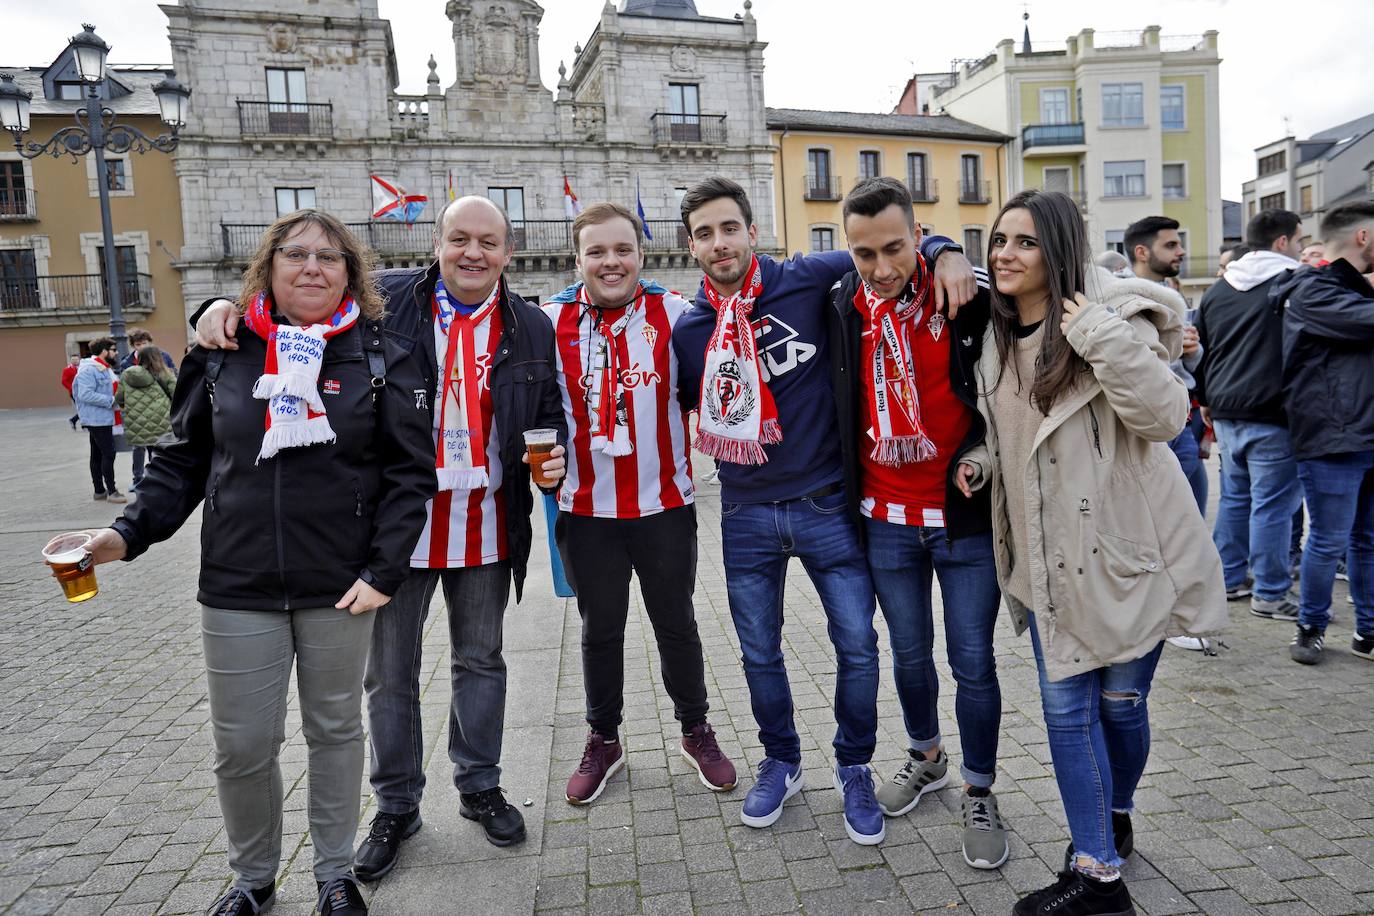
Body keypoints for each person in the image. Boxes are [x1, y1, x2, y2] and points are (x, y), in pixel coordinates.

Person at [195, 195, 568, 871]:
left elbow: (547, 412)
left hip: (486, 521)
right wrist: (216, 308)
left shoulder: (532, 325)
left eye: (488, 241)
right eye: (460, 239)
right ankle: (396, 805)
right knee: (388, 675)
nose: (473, 253)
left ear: (508, 253)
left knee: (481, 660)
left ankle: (480, 786)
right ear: (436, 245)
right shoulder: (387, 302)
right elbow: (297, 307)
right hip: (399, 529)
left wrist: (555, 452)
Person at [81, 210, 437, 916]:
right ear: (267, 268)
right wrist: (126, 534)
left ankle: (336, 874)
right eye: (296, 254)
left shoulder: (380, 353)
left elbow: (409, 475)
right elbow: (181, 462)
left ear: (351, 274)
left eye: (329, 257)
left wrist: (383, 572)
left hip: (341, 585)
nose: (312, 267)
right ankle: (253, 878)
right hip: (238, 583)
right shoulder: (222, 352)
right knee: (242, 745)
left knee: (335, 733)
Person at [672, 176, 975, 846]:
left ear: (753, 230)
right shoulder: (689, 330)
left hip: (826, 504)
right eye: (704, 233)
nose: (719, 243)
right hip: (745, 512)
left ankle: (854, 765)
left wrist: (951, 249)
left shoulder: (810, 278)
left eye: (729, 228)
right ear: (690, 246)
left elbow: (895, 254)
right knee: (758, 652)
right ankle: (781, 761)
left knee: (859, 648)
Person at [957, 189, 1226, 915]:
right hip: (1051, 560)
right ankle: (1099, 873)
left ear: (1060, 252)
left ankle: (1111, 817)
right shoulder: (995, 335)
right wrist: (981, 463)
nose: (1004, 254)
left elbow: (1167, 416)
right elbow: (1007, 432)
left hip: (1128, 554)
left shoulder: (1107, 323)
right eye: (998, 241)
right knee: (1068, 715)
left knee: (1121, 707)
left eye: (1024, 243)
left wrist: (1102, 336)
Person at [828, 177, 1007, 868]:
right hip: (886, 519)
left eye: (896, 248)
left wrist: (949, 253)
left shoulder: (967, 295)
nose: (880, 268)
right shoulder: (844, 302)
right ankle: (926, 755)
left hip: (961, 517)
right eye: (863, 253)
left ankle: (981, 787)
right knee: (907, 656)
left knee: (973, 663)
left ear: (918, 233)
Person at [542, 203, 736, 804]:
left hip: (665, 507)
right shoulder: (547, 321)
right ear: (578, 260)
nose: (610, 262)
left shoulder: (677, 315)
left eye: (622, 249)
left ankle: (695, 729)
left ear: (642, 254)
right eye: (596, 251)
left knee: (676, 623)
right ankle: (604, 739)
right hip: (587, 512)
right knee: (600, 630)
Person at [1195, 209, 1306, 619]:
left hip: (1224, 410)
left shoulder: (1217, 290)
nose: (1299, 249)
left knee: (1236, 501)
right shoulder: (1294, 283)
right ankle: (1272, 592)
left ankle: (1228, 579)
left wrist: (1207, 399)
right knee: (1273, 506)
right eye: (1298, 241)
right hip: (1273, 411)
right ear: (1281, 242)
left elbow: (1202, 351)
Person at [1276, 201, 1374, 664]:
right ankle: (1311, 627)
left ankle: (1367, 634)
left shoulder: (1350, 290)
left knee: (1367, 540)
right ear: (1363, 237)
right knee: (1329, 539)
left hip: (1366, 435)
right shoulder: (1312, 289)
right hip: (1334, 438)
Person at [1125, 216, 1208, 516]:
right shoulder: (1121, 296)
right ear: (1142, 252)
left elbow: (1189, 366)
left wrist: (1193, 349)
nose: (1181, 251)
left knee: (1193, 520)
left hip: (1181, 424)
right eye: (1171, 245)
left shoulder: (1172, 298)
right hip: (1146, 428)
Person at [72, 337, 126, 504]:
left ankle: (99, 491)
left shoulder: (103, 368)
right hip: (97, 418)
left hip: (101, 417)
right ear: (104, 351)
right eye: (113, 349)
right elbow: (85, 394)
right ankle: (111, 491)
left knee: (97, 454)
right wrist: (111, 400)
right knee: (108, 454)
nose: (116, 353)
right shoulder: (90, 370)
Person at [116, 344, 176, 489]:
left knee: (138, 449)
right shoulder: (165, 373)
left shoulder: (127, 373)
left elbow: (119, 398)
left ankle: (137, 479)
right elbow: (176, 395)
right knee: (157, 450)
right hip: (161, 420)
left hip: (135, 421)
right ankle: (155, 479)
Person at [60, 354, 80, 429]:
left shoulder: (82, 368)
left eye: (76, 359)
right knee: (82, 408)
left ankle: (74, 420)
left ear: (79, 360)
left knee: (83, 408)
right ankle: (77, 421)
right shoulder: (67, 369)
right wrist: (72, 388)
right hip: (74, 393)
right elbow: (64, 381)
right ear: (70, 360)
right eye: (73, 360)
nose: (75, 361)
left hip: (84, 391)